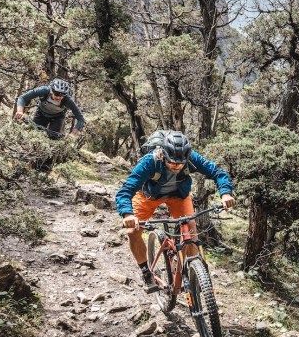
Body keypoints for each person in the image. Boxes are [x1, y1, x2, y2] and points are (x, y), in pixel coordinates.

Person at [115, 130, 235, 291]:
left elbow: (217, 172)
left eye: (181, 163)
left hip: (179, 196)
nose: (177, 167)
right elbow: (125, 190)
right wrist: (128, 214)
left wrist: (225, 193)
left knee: (190, 232)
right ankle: (145, 271)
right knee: (132, 231)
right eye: (172, 163)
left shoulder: (191, 158)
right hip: (148, 196)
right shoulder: (149, 162)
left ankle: (193, 273)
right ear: (163, 155)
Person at [14, 78, 86, 139]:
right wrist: (20, 111)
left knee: (53, 138)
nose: (59, 97)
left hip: (57, 117)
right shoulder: (44, 90)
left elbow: (80, 118)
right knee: (34, 135)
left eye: (62, 95)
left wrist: (73, 134)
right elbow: (22, 98)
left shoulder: (68, 100)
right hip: (41, 113)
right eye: (57, 94)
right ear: (51, 90)